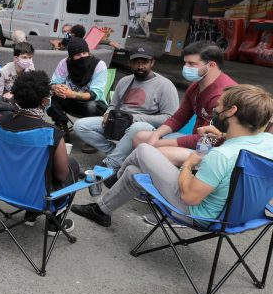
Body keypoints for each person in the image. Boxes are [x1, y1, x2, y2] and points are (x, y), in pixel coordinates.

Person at [72, 85, 273, 228]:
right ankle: (101, 211)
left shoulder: (221, 155)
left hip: (203, 217)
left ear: (232, 111)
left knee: (143, 151)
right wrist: (223, 135)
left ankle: (110, 178)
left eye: (219, 107)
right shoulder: (268, 142)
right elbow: (243, 145)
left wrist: (188, 164)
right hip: (246, 215)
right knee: (134, 172)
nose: (215, 110)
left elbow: (190, 197)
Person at [0, 71, 80, 234]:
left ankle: (31, 214)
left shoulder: (0, 121)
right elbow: (62, 176)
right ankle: (53, 224)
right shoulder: (51, 133)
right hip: (35, 196)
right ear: (44, 101)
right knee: (72, 165)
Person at [132, 41, 237, 167]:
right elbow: (178, 118)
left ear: (212, 65)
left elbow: (207, 139)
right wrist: (156, 135)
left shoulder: (222, 96)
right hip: (197, 140)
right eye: (185, 63)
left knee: (159, 152)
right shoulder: (195, 87)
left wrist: (159, 143)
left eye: (192, 64)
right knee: (140, 137)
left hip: (213, 150)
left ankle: (168, 183)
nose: (186, 67)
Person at [73, 44, 179, 169]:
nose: (140, 66)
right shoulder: (125, 81)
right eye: (136, 62)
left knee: (137, 127)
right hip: (120, 122)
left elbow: (171, 118)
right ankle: (116, 152)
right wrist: (108, 112)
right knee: (80, 126)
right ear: (130, 63)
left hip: (146, 128)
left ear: (152, 63)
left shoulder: (165, 85)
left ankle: (111, 163)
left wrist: (135, 118)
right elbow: (113, 105)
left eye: (144, 62)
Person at [47, 37, 108, 140]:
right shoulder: (64, 63)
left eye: (85, 53)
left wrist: (72, 94)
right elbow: (53, 82)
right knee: (48, 96)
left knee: (92, 105)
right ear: (71, 57)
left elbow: (95, 94)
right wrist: (56, 87)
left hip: (94, 105)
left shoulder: (99, 65)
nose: (82, 57)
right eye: (78, 54)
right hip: (71, 101)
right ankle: (62, 126)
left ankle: (93, 136)